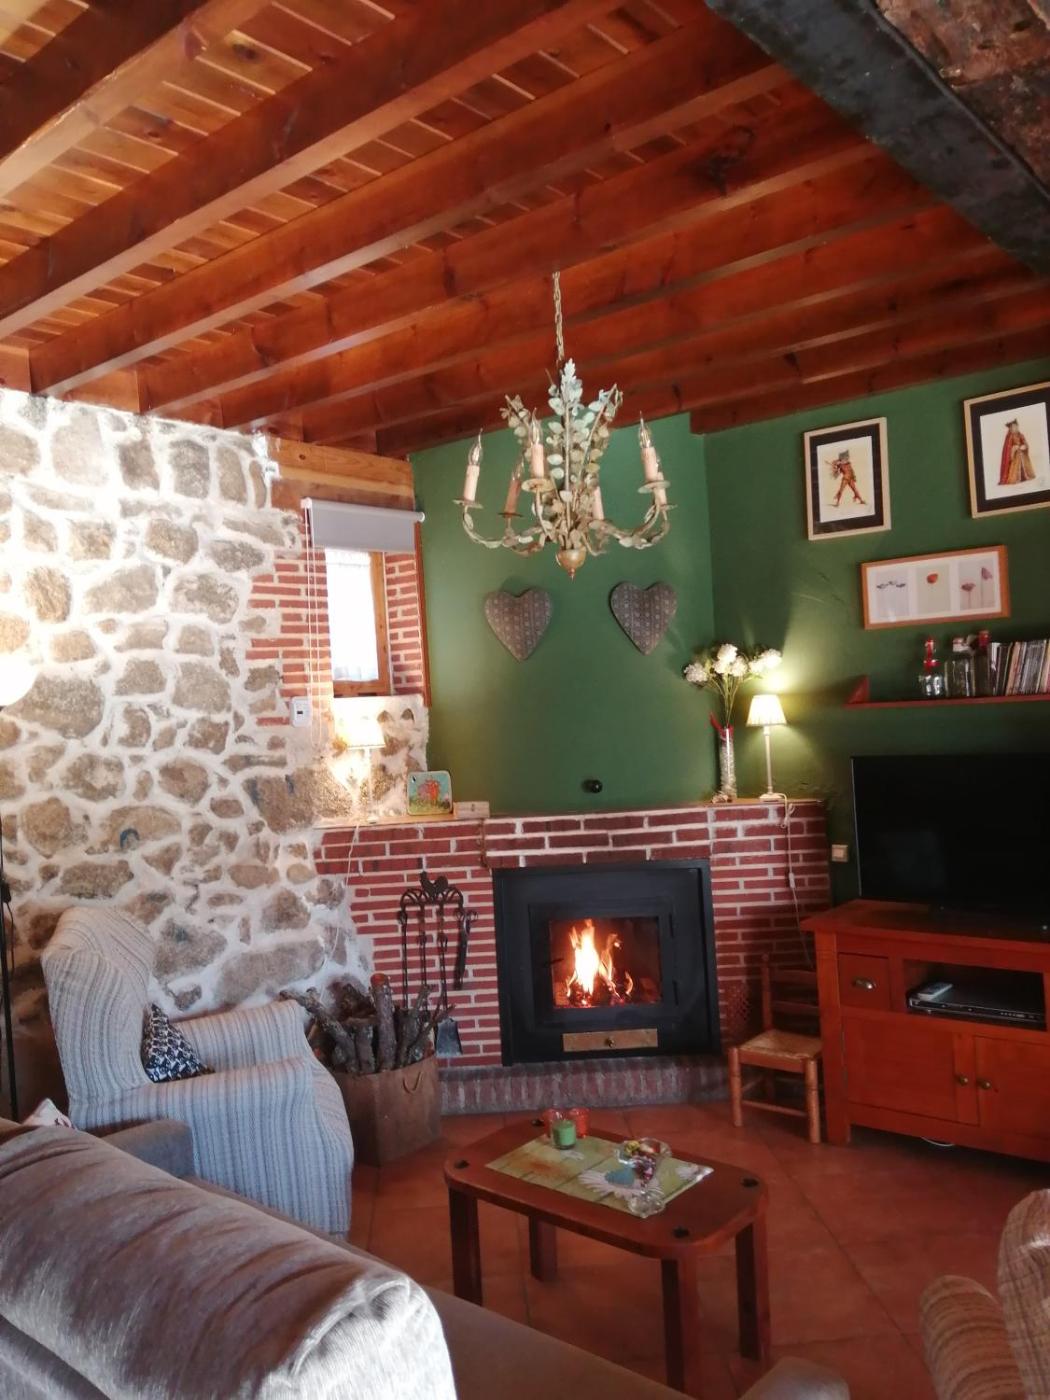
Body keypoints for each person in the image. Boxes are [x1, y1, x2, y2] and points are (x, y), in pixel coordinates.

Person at [998, 418, 1035, 485]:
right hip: (1015, 456)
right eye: (1014, 427)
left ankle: (1025, 476)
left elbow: (1025, 443)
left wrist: (1024, 446)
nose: (1016, 428)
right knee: (1016, 464)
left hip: (1022, 454)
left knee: (1023, 461)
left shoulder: (1021, 435)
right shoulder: (1010, 437)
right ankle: (1016, 478)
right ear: (1011, 428)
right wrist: (1014, 448)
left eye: (1016, 426)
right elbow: (1008, 449)